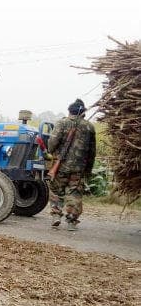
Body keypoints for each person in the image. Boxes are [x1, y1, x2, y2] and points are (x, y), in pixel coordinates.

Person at [47, 98, 96, 231]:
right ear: (83, 112)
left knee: (56, 191)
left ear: (69, 111)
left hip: (60, 167)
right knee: (74, 193)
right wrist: (88, 170)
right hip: (79, 169)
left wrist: (52, 153)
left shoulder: (62, 123)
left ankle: (56, 216)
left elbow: (51, 144)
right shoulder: (89, 127)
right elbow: (92, 152)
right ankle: (71, 221)